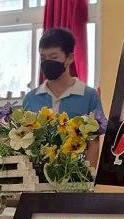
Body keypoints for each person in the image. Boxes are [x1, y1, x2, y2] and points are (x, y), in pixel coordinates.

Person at [23, 27, 104, 166]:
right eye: (43, 58)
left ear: (70, 58)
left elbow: (94, 143)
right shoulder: (30, 98)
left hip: (74, 172)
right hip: (36, 173)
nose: (47, 62)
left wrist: (87, 175)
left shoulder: (89, 96)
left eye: (54, 57)